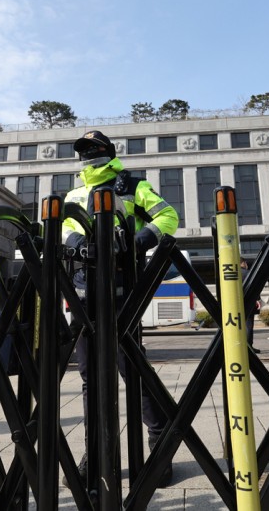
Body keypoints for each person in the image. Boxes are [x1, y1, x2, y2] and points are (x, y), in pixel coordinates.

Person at [61, 130, 179, 487]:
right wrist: (78, 243)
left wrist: (135, 240)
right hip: (83, 295)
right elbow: (63, 228)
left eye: (95, 149)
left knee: (133, 370)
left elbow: (168, 217)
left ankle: (160, 447)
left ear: (109, 152)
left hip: (124, 292)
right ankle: (95, 454)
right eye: (83, 150)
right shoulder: (74, 193)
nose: (88, 155)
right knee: (88, 378)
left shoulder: (132, 186)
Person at [240, 258, 261, 353]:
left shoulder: (232, 274)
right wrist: (257, 299)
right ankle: (248, 347)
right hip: (248, 302)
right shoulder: (248, 273)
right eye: (245, 263)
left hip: (234, 304)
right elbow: (255, 287)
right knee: (248, 325)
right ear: (243, 263)